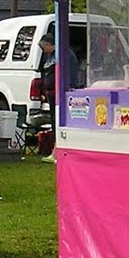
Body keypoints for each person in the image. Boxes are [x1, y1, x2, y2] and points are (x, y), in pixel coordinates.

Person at [34, 25, 81, 158]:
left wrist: (68, 89)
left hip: (59, 94)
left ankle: (58, 151)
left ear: (49, 44)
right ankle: (55, 150)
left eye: (43, 47)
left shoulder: (65, 55)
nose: (43, 51)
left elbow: (70, 73)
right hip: (50, 94)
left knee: (60, 122)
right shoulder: (50, 57)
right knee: (54, 122)